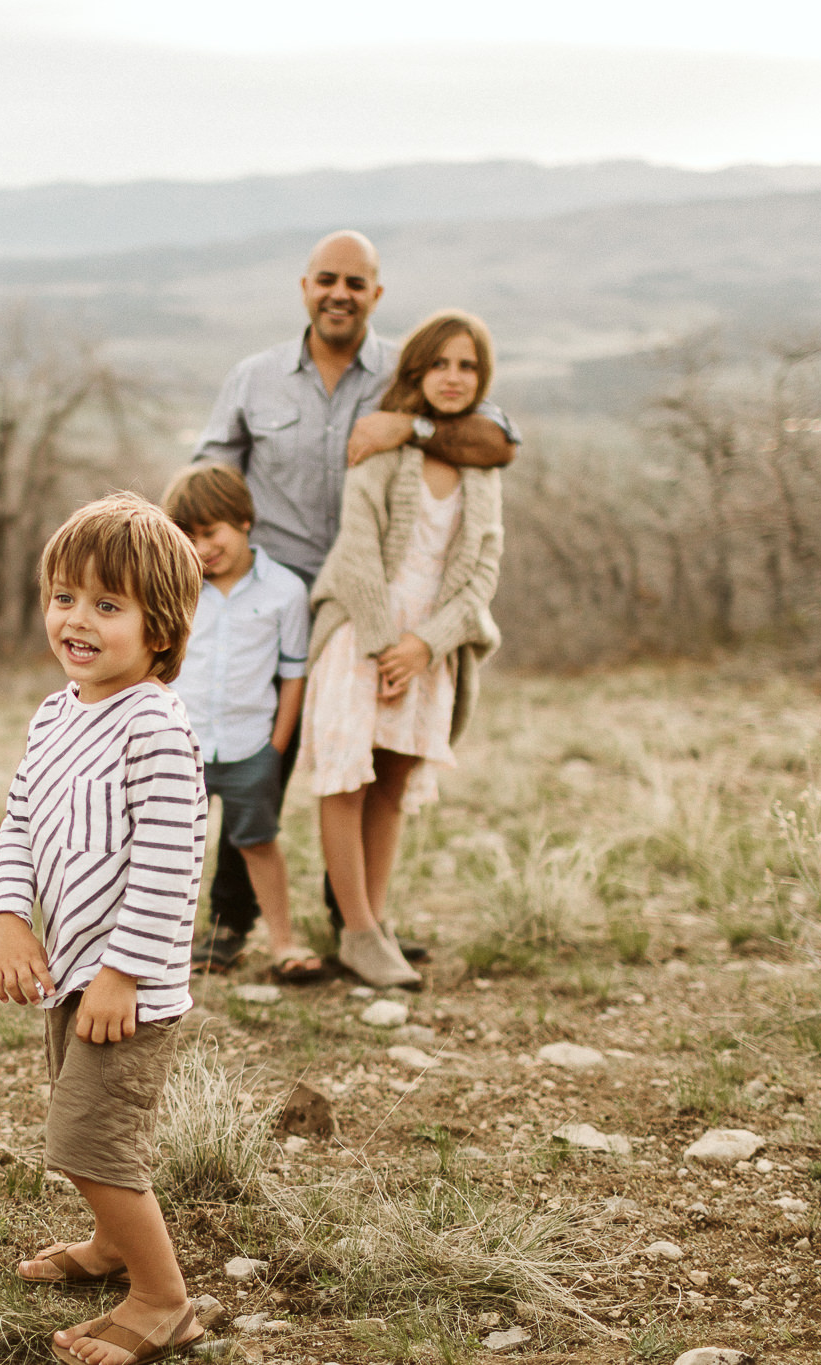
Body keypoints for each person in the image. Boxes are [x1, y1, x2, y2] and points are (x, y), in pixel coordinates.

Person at [188, 231, 516, 971]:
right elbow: (211, 470)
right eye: (327, 280)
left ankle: (358, 923)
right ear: (304, 286)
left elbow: (497, 439)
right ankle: (232, 920)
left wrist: (416, 424)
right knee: (256, 755)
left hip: (370, 599)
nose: (340, 293)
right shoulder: (255, 377)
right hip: (272, 592)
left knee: (363, 759)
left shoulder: (406, 373)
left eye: (356, 283)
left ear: (376, 294)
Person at [0, 495, 208, 1365]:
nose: (77, 620)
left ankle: (163, 1298)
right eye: (65, 597)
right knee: (79, 1129)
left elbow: (168, 861)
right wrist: (9, 918)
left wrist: (124, 972)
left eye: (107, 606)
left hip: (127, 985)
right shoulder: (56, 713)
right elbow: (18, 821)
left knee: (90, 1137)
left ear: (160, 630)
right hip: (69, 973)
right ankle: (113, 1245)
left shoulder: (153, 722)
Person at [301, 310, 507, 989]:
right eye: (440, 363)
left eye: (467, 366)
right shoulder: (382, 451)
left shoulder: (481, 465)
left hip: (429, 641)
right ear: (416, 371)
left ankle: (376, 920)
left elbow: (482, 570)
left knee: (391, 782)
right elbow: (356, 551)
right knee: (347, 777)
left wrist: (426, 645)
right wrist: (386, 645)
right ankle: (355, 930)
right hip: (363, 632)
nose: (454, 377)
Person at [160, 463, 318, 982]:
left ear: (244, 520)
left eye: (211, 532)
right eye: (188, 536)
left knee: (257, 842)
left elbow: (293, 674)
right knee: (170, 847)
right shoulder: (177, 588)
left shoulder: (285, 591)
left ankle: (283, 942)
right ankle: (160, 948)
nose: (201, 548)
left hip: (252, 746)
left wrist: (275, 746)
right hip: (184, 745)